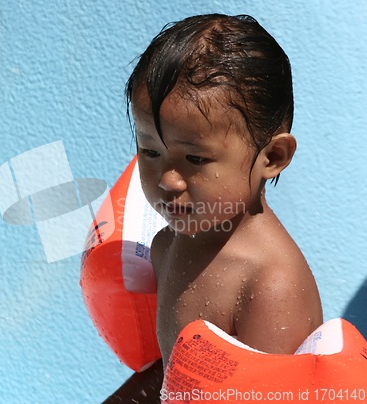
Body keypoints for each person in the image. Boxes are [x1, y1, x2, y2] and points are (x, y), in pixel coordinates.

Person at [104, 13, 323, 403]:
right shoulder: (167, 244)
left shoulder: (270, 286)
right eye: (151, 151)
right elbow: (177, 374)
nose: (167, 180)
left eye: (196, 159)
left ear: (272, 156)